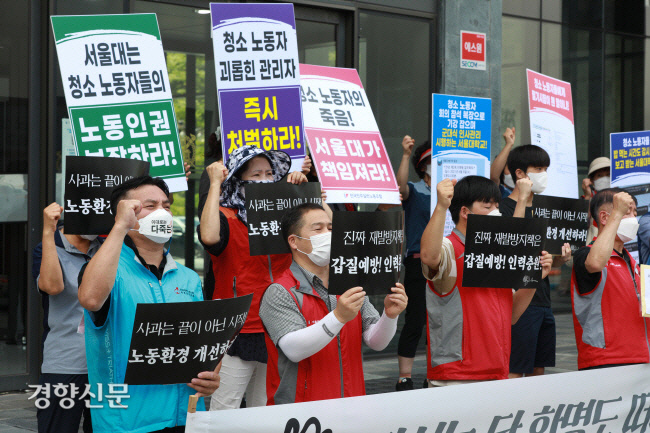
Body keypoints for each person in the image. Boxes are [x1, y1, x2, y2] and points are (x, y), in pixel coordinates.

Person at [78, 176, 220, 433]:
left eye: (166, 205)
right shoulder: (109, 272)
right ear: (124, 213)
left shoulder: (188, 277)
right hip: (126, 422)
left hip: (185, 417)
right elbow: (90, 298)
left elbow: (202, 341)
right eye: (150, 206)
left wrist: (210, 376)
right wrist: (120, 227)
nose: (162, 213)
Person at [259, 203, 407, 404]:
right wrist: (338, 318)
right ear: (294, 241)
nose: (328, 234)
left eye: (330, 228)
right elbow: (294, 350)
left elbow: (376, 342)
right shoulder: (280, 291)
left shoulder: (349, 282)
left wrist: (389, 316)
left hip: (352, 402)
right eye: (318, 229)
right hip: (302, 411)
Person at [199, 145, 308, 410]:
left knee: (265, 407)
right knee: (225, 407)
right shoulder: (227, 217)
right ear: (238, 179)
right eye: (256, 174)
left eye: (270, 173)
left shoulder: (286, 219)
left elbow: (319, 238)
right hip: (238, 328)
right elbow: (209, 237)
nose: (265, 180)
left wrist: (303, 193)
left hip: (279, 325)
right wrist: (215, 184)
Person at [419, 176, 552, 386]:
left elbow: (512, 315)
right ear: (465, 212)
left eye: (497, 206)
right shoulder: (449, 247)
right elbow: (429, 257)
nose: (496, 212)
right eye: (488, 206)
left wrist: (535, 276)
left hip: (497, 370)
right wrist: (441, 206)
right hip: (457, 375)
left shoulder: (497, 256)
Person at [500, 144, 571, 378]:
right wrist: (522, 197)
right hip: (519, 301)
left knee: (538, 368)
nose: (544, 174)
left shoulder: (545, 209)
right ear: (519, 173)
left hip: (542, 300)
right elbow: (513, 241)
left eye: (546, 168)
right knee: (515, 368)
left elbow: (551, 260)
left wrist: (561, 258)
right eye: (538, 168)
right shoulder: (502, 208)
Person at [32, 203, 102, 433]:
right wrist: (47, 231)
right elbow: (52, 286)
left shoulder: (106, 247)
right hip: (65, 362)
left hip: (105, 363)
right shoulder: (48, 247)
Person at [571, 188, 650, 369]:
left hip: (641, 359)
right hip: (605, 361)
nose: (633, 218)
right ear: (605, 218)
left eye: (635, 212)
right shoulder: (586, 254)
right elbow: (596, 263)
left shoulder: (634, 264)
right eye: (626, 211)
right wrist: (617, 214)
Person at [394, 137, 432, 391]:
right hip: (419, 262)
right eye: (429, 161)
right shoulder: (416, 189)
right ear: (422, 166)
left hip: (448, 262)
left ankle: (436, 372)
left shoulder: (456, 191)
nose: (433, 165)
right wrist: (405, 155)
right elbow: (400, 188)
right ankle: (404, 376)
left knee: (442, 322)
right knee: (415, 319)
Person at [581, 157, 611, 244]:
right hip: (593, 245)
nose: (604, 178)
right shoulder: (586, 199)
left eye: (608, 174)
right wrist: (587, 195)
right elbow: (582, 222)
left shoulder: (619, 197)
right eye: (599, 175)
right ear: (592, 181)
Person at [490, 127, 517, 199]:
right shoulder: (500, 191)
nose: (515, 172)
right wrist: (509, 144)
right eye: (510, 168)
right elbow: (493, 176)